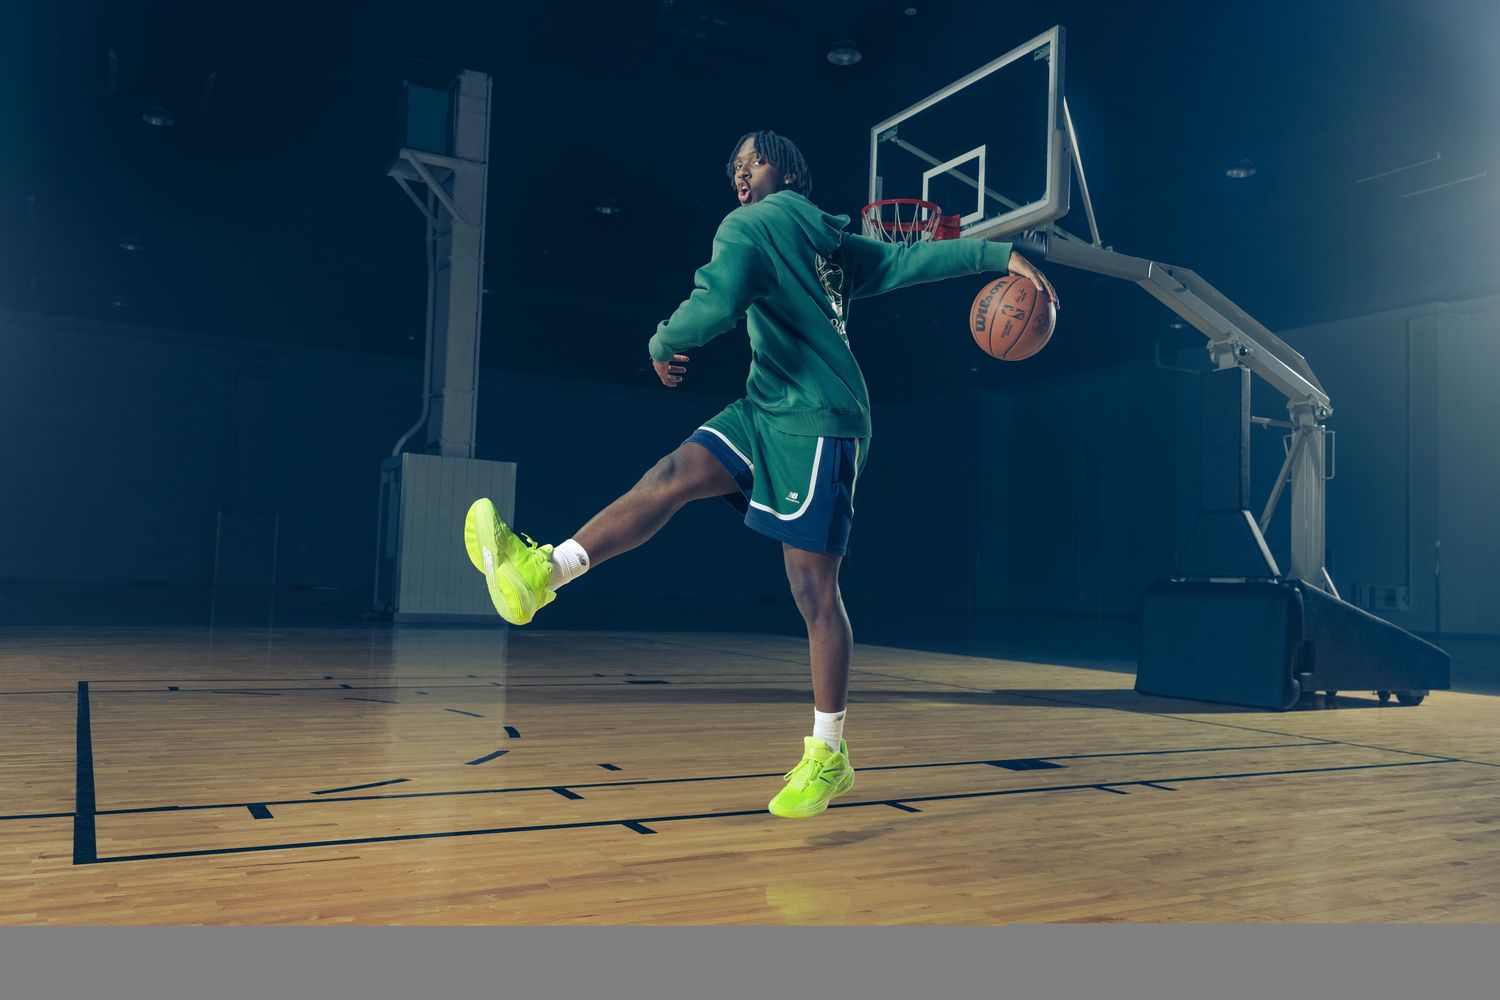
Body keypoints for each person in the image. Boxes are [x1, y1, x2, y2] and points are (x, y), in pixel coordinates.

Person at [464, 129, 1057, 818]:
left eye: (750, 162)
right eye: (734, 171)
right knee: (673, 474)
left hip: (818, 419)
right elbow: (911, 259)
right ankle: (542, 574)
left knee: (813, 594)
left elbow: (718, 301)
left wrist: (663, 341)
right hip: (765, 404)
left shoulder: (758, 222)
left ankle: (828, 754)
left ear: (783, 169)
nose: (739, 176)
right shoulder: (826, 239)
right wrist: (999, 252)